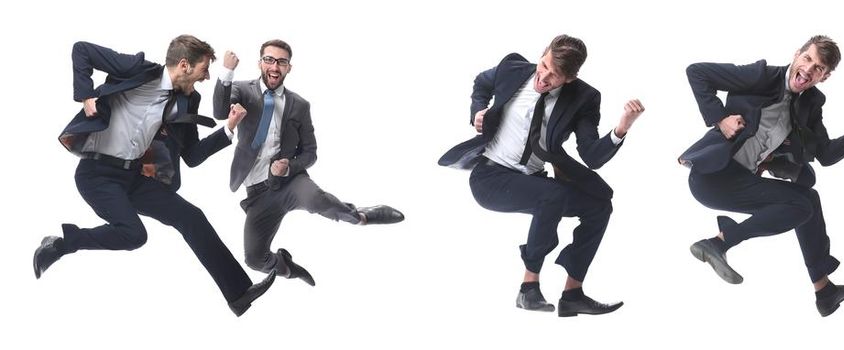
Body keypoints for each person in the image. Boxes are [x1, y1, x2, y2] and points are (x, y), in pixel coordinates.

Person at [35, 35, 274, 316]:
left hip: (134, 177)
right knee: (134, 235)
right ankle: (63, 244)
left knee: (191, 217)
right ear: (184, 65)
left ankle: (238, 293)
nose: (207, 76)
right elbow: (82, 50)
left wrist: (229, 129)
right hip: (96, 174)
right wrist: (86, 94)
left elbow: (193, 155)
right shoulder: (138, 70)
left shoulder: (188, 100)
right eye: (203, 69)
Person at [680, 35, 844, 317]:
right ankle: (719, 242)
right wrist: (720, 118)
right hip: (712, 176)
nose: (808, 69)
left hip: (740, 180)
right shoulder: (761, 77)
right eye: (807, 59)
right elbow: (697, 72)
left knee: (808, 199)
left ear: (824, 77)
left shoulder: (810, 104)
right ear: (796, 55)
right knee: (801, 204)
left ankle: (824, 291)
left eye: (818, 69)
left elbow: (826, 154)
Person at [438, 34, 645, 317]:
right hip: (490, 178)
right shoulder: (512, 69)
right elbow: (481, 83)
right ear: (543, 53)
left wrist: (621, 128)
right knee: (554, 194)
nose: (544, 77)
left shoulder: (584, 98)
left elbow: (592, 156)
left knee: (599, 207)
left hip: (533, 181)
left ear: (570, 79)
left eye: (555, 76)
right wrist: (478, 111)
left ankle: (573, 294)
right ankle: (528, 288)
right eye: (544, 65)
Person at [195, 39, 405, 287]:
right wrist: (227, 71)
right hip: (257, 193)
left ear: (288, 68)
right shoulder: (243, 90)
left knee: (315, 198)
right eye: (269, 60)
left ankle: (360, 216)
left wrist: (288, 165)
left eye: (281, 62)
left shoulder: (300, 105)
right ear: (260, 63)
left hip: (289, 182)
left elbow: (310, 153)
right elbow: (220, 112)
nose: (275, 66)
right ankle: (286, 266)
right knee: (254, 259)